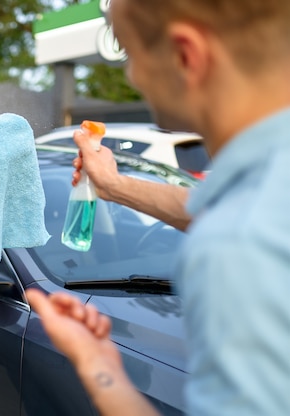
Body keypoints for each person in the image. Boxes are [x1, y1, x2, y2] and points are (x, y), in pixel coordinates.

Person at [27, 0, 290, 415]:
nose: (133, 77)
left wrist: (100, 369)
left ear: (186, 55)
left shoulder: (236, 243)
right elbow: (212, 207)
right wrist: (112, 186)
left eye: (132, 55)